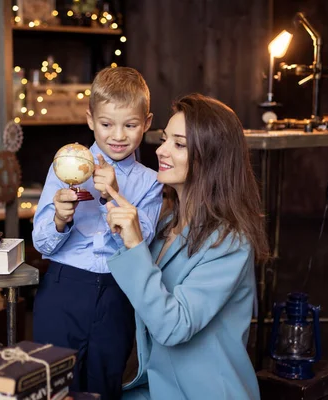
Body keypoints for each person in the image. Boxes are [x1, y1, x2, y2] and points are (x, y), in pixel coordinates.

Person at [104, 93, 269, 400]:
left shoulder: (230, 241)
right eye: (165, 139)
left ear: (211, 157)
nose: (161, 150)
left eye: (179, 144)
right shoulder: (166, 224)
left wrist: (135, 242)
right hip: (154, 388)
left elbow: (173, 326)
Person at [32, 67, 164, 400]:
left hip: (117, 294)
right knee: (53, 386)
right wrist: (60, 220)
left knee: (104, 384)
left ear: (146, 123)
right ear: (90, 119)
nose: (118, 136)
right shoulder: (67, 165)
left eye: (130, 125)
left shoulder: (150, 182)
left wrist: (112, 196)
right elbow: (41, 242)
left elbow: (140, 243)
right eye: (106, 124)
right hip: (64, 287)